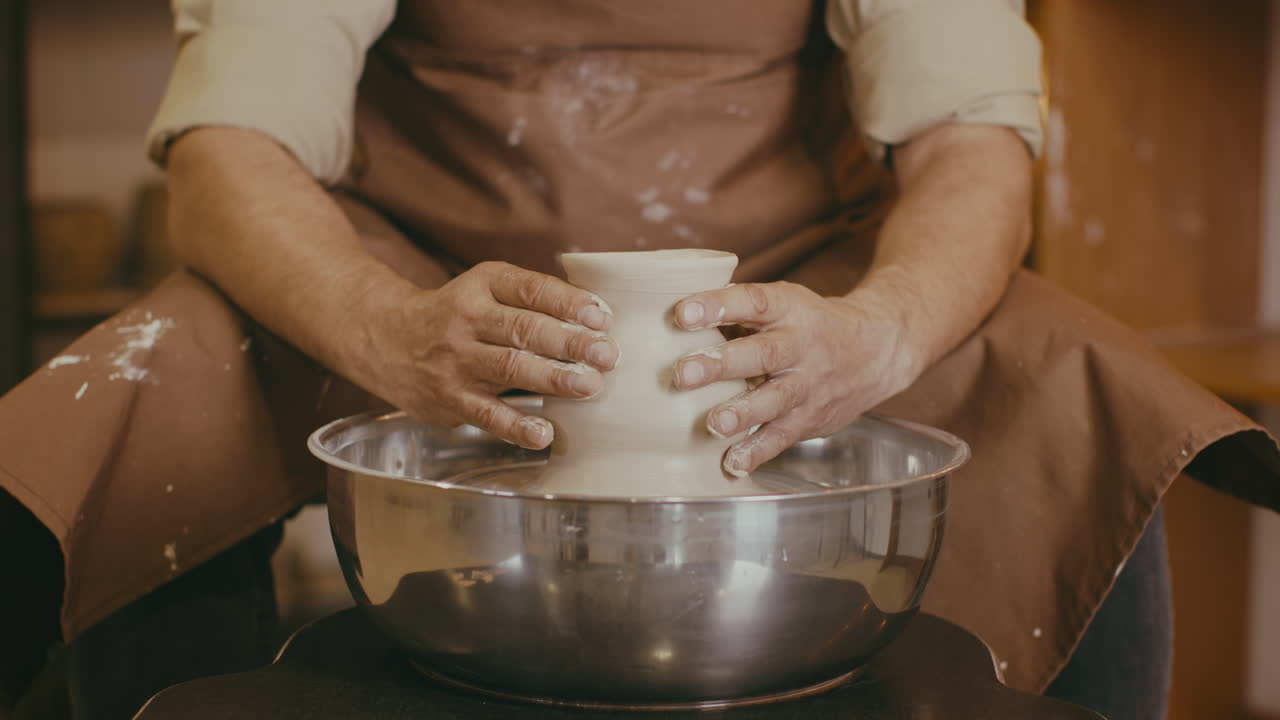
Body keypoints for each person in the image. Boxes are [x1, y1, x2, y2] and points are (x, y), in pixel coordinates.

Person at [2, 2, 1277, 719]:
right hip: (425, 280)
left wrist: (877, 332)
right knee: (152, 392)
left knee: (1075, 392)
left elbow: (968, 142)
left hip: (783, 288)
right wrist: (380, 324)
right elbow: (231, 148)